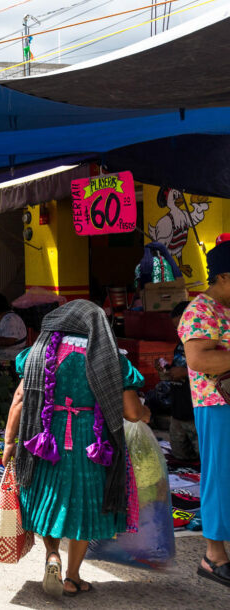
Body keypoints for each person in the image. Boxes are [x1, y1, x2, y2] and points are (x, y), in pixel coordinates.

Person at [1, 300, 150, 598]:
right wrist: (146, 415)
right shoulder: (110, 360)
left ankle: (52, 555)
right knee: (84, 506)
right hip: (90, 443)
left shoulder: (37, 354)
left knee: (49, 498)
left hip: (43, 439)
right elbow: (132, 413)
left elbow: (19, 399)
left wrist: (8, 442)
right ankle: (72, 576)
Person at [177, 240, 230, 588]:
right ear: (224, 276)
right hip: (217, 407)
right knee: (220, 477)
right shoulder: (200, 311)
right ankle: (214, 556)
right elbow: (199, 361)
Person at [159, 301, 198, 461]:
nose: (179, 331)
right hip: (178, 412)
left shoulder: (203, 344)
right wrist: (165, 370)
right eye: (176, 328)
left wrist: (185, 373)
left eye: (182, 325)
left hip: (195, 414)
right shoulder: (181, 345)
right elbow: (176, 372)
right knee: (179, 456)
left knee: (205, 457)